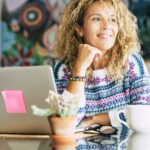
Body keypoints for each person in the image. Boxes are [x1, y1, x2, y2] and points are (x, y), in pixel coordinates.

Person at [52, 0, 150, 128]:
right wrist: (79, 69)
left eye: (113, 19)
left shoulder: (131, 62)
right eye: (96, 19)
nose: (107, 25)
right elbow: (65, 123)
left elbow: (144, 114)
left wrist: (96, 119)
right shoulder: (62, 69)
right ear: (79, 29)